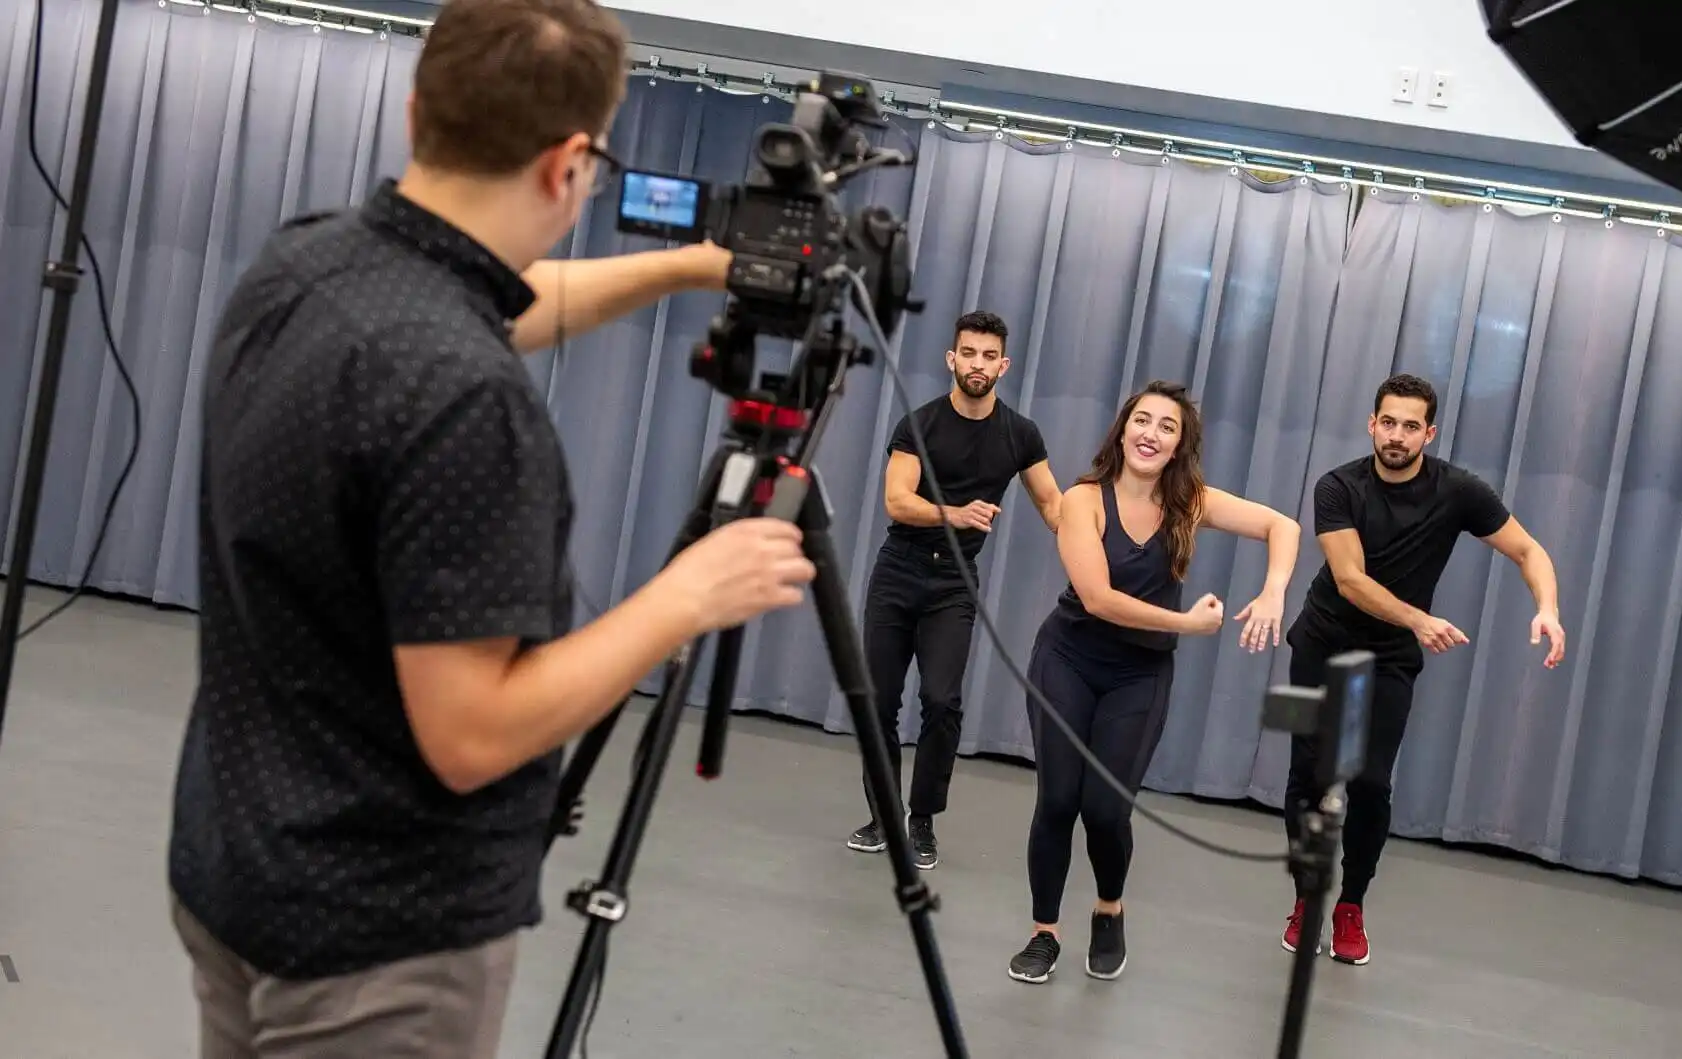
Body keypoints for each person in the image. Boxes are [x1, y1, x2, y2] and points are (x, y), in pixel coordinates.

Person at [164, 2, 817, 1056]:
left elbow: (491, 304)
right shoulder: (468, 401)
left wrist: (691, 266)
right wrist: (689, 595)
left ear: (423, 107)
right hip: (375, 947)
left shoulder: (306, 263)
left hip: (233, 867)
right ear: (568, 166)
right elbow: (471, 734)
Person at [1007, 379, 1301, 984]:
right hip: (1068, 659)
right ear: (1123, 429)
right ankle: (1043, 933)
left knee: (1107, 810)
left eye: (1167, 427)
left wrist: (1273, 592)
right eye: (1142, 420)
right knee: (1059, 801)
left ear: (1178, 447)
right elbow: (1097, 598)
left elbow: (1284, 527)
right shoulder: (1083, 500)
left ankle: (1108, 909)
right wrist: (1188, 624)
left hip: (1138, 675)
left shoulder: (1189, 502)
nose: (1151, 433)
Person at [1279, 372, 1565, 966]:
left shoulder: (1458, 491)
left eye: (1411, 426)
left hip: (1388, 660)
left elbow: (1528, 550)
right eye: (1389, 422)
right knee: (1307, 773)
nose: (1398, 436)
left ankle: (1349, 905)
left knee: (1369, 783)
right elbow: (1351, 580)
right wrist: (1420, 620)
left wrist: (1549, 609)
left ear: (1428, 433)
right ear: (1372, 424)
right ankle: (1306, 897)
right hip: (1319, 643)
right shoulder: (1338, 486)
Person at [845, 310, 1064, 869]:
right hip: (898, 572)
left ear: (1003, 366)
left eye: (989, 356)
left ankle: (921, 821)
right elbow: (897, 500)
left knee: (942, 702)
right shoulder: (918, 424)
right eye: (969, 353)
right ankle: (882, 816)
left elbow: (1053, 506)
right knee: (877, 703)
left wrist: (1100, 542)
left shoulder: (1021, 434)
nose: (978, 365)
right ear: (952, 359)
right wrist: (956, 513)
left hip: (953, 583)